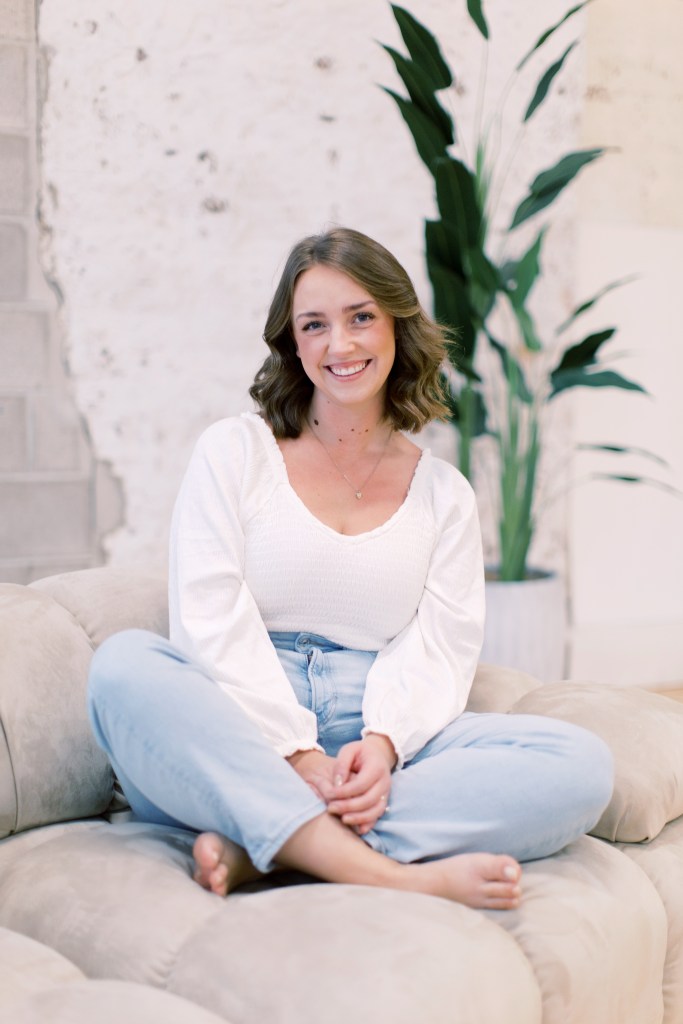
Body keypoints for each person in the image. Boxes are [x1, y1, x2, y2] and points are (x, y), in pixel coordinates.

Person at [87, 226, 614, 911]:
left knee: (579, 765)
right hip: (237, 727)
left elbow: (442, 648)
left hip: (373, 722)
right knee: (122, 666)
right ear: (293, 343)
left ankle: (270, 845)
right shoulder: (234, 451)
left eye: (360, 317)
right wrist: (294, 752)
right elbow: (208, 619)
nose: (339, 345)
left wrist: (385, 745)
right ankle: (386, 871)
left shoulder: (443, 493)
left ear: (396, 325)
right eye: (314, 325)